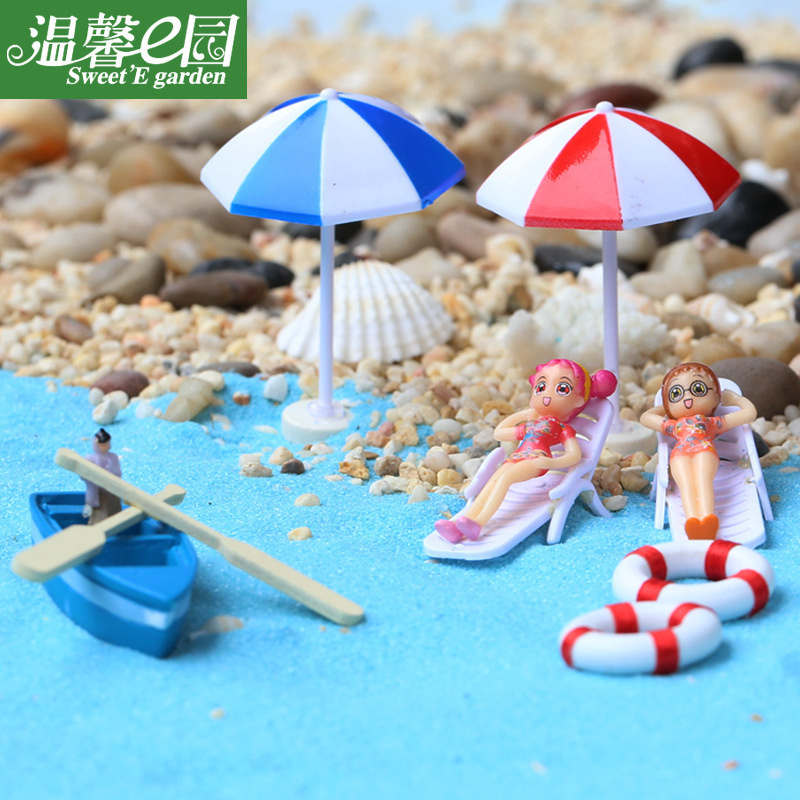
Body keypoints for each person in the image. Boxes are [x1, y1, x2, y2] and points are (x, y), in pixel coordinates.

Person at [435, 359, 617, 543]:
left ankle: (478, 523)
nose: (546, 395)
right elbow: (499, 433)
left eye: (562, 389)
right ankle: (459, 524)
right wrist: (521, 415)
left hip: (537, 459)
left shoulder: (562, 428)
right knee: (493, 481)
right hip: (517, 457)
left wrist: (551, 462)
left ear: (578, 400)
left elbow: (574, 455)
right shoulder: (532, 424)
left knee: (505, 479)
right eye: (541, 387)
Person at [639, 362, 757, 540]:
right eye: (676, 393)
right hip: (679, 455)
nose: (687, 398)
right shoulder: (674, 425)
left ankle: (708, 519)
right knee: (686, 485)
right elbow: (645, 417)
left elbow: (749, 414)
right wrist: (665, 406)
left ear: (716, 397)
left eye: (698, 389)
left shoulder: (711, 422)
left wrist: (734, 399)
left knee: (702, 481)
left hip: (704, 450)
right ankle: (693, 522)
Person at [82, 428, 122, 525]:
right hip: (98, 493)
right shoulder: (91, 459)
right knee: (100, 515)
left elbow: (118, 473)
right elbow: (84, 475)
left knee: (115, 513)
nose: (107, 446)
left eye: (108, 443)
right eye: (103, 444)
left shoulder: (113, 457)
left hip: (112, 490)